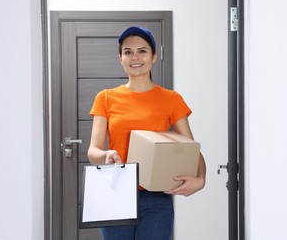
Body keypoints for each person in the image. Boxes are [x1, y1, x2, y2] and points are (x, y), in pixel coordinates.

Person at [87, 26, 206, 240]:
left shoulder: (171, 99)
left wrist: (201, 179)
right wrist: (105, 155)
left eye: (142, 51)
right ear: (120, 58)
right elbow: (93, 151)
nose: (135, 57)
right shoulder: (105, 98)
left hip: (157, 196)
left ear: (154, 57)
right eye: (128, 52)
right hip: (115, 192)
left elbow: (190, 149)